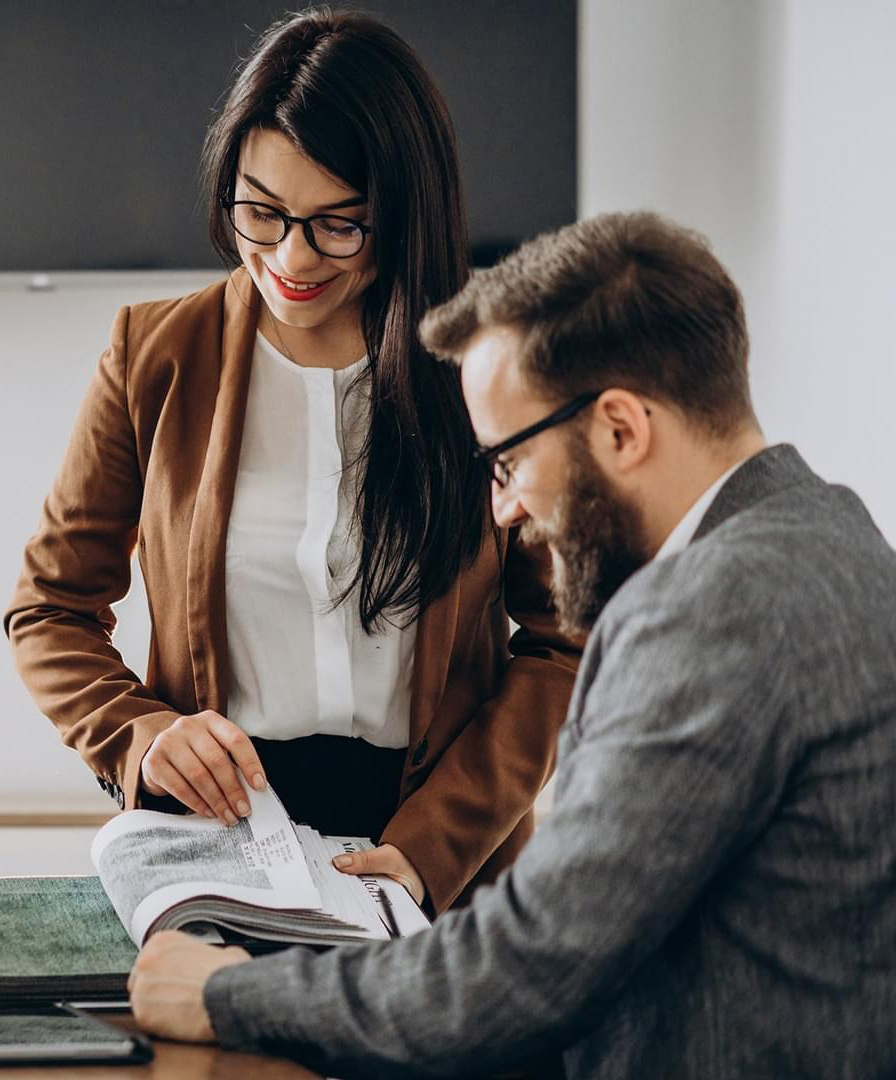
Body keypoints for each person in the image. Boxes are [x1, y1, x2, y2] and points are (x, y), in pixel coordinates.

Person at [128, 211, 896, 1079]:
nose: (504, 508)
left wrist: (224, 994)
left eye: (508, 461)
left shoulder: (711, 612)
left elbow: (526, 970)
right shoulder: (833, 534)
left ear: (619, 428)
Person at [3, 9, 580, 916]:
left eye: (337, 226)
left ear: (402, 211)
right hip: (221, 849)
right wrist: (139, 734)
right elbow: (49, 609)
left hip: (442, 858)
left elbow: (563, 638)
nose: (289, 258)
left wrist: (431, 849)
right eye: (260, 213)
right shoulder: (153, 355)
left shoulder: (489, 368)